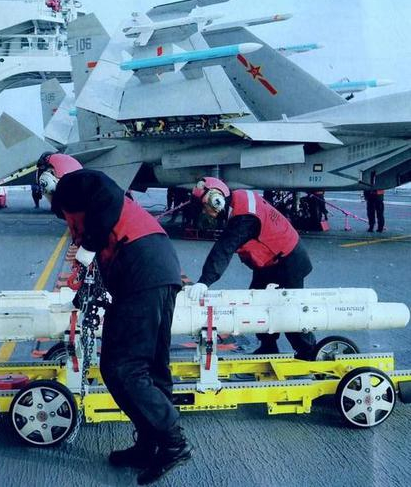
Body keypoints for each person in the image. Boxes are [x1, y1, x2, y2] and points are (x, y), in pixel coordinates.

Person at [36, 153, 191, 484]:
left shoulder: (74, 184)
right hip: (159, 268)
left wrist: (89, 246)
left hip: (141, 270)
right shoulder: (86, 209)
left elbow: (107, 190)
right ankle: (150, 445)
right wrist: (83, 290)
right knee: (152, 367)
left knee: (122, 367)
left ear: (50, 178)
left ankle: (174, 444)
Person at [187, 177, 316, 360]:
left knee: (288, 310)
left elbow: (224, 248)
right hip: (271, 261)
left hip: (288, 261)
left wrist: (204, 282)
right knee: (257, 304)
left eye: (204, 207)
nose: (205, 212)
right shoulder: (239, 201)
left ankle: (309, 353)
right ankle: (268, 347)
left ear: (217, 201)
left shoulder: (245, 218)